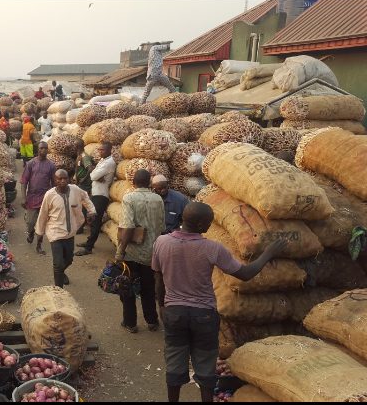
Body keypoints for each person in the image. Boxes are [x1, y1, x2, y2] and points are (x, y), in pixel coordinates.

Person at [152, 202, 287, 402]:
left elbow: (158, 278)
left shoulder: (161, 242)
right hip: (203, 315)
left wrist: (162, 306)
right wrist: (269, 253)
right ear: (199, 224)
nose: (209, 225)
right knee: (206, 366)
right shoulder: (212, 248)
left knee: (174, 362)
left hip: (175, 312)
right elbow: (245, 274)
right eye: (208, 222)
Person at [114, 169, 166, 333]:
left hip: (133, 252)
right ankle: (152, 321)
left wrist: (120, 250)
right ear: (149, 183)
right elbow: (162, 227)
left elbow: (128, 227)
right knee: (148, 288)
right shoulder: (158, 199)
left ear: (134, 182)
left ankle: (130, 323)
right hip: (152, 251)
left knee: (127, 286)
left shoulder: (129, 198)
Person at [35, 169, 96, 287]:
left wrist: (92, 211)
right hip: (55, 233)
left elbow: (86, 198)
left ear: (69, 179)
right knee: (58, 264)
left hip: (70, 232)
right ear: (55, 180)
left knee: (69, 260)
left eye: (65, 178)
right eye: (59, 179)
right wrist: (39, 235)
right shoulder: (50, 195)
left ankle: (61, 273)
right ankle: (59, 292)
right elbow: (43, 215)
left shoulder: (75, 190)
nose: (63, 181)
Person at [76, 142, 116, 256]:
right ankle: (89, 242)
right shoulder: (103, 160)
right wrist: (96, 175)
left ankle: (88, 247)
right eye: (99, 150)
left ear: (109, 150)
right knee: (94, 220)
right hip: (96, 193)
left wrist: (96, 176)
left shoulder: (109, 162)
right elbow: (94, 174)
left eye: (102, 150)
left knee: (95, 220)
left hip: (101, 195)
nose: (100, 152)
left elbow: (92, 176)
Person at [20, 142, 56, 244]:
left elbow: (54, 184)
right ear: (38, 150)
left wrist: (54, 199)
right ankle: (30, 232)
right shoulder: (31, 163)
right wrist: (23, 197)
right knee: (30, 222)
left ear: (47, 150)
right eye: (41, 148)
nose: (43, 150)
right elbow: (24, 181)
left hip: (45, 197)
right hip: (32, 196)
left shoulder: (51, 165)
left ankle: (39, 245)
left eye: (45, 148)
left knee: (42, 223)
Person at [72, 138, 94, 234]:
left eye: (75, 145)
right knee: (80, 205)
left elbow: (90, 169)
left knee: (82, 206)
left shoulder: (84, 157)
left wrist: (83, 179)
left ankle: (80, 227)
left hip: (84, 185)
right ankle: (79, 225)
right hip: (80, 184)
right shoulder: (79, 156)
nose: (74, 147)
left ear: (78, 146)